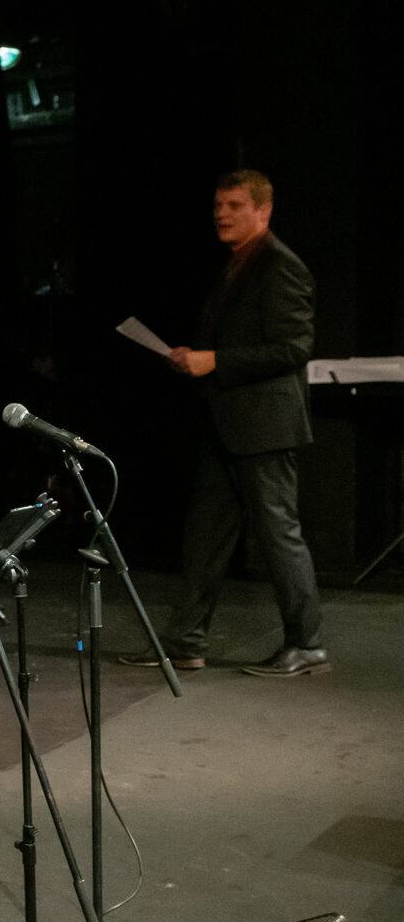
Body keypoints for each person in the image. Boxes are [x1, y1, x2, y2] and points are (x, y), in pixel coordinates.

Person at [121, 170, 328, 678]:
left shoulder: (280, 265)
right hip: (228, 423)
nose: (221, 213)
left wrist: (215, 360)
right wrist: (195, 356)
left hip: (265, 426)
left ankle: (307, 644)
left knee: (278, 535)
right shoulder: (238, 264)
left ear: (263, 210)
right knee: (205, 538)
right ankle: (185, 642)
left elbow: (294, 348)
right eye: (218, 204)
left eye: (234, 205)